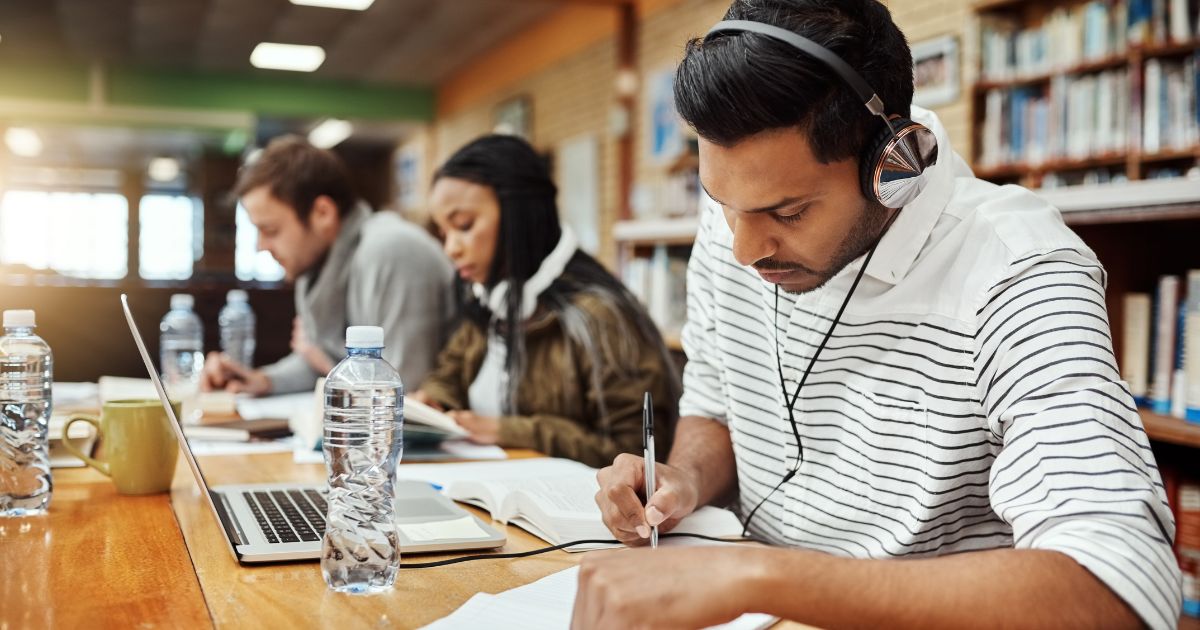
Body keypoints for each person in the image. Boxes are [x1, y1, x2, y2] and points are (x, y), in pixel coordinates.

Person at [582, 1, 1181, 629]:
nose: (744, 250)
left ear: (893, 166)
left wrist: (759, 578)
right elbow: (718, 404)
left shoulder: (1016, 267)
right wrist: (684, 480)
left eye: (788, 214)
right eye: (723, 204)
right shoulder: (739, 216)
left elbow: (1120, 591)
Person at [411, 135, 679, 468]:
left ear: (517, 215)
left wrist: (509, 431)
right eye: (443, 233)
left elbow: (636, 451)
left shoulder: (600, 316)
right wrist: (432, 401)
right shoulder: (489, 301)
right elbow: (449, 374)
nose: (451, 248)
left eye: (463, 225)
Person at [202, 136, 456, 395]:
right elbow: (314, 361)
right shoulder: (315, 266)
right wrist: (261, 380)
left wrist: (325, 364)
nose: (260, 246)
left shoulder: (392, 251)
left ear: (322, 213)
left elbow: (400, 394)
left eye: (270, 230)